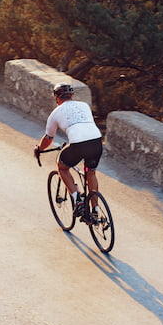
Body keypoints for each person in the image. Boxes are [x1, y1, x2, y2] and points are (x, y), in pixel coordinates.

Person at [33, 82, 103, 222]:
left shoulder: (55, 113)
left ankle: (77, 199)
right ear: (72, 95)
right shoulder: (84, 105)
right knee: (90, 172)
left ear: (56, 98)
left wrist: (39, 149)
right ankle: (95, 210)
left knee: (62, 167)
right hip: (96, 141)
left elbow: (48, 138)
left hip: (78, 144)